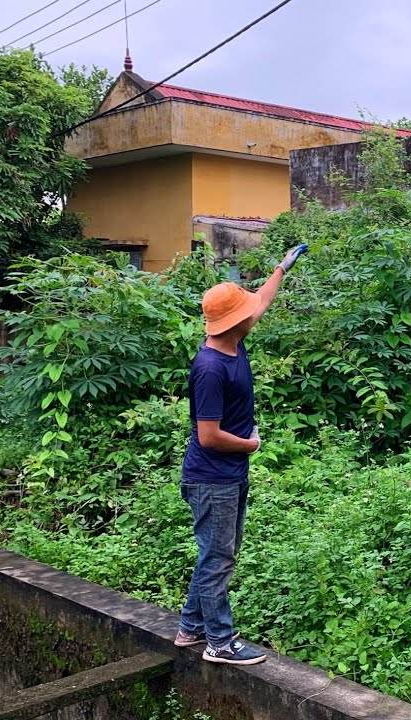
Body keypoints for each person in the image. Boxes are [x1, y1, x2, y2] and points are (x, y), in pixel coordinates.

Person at [174, 243, 308, 665]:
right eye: (246, 310)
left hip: (227, 474)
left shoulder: (233, 340)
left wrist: (280, 268)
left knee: (217, 553)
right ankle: (219, 642)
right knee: (218, 557)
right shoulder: (211, 367)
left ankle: (190, 629)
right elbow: (209, 435)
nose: (255, 313)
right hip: (212, 476)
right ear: (236, 321)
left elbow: (261, 301)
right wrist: (250, 445)